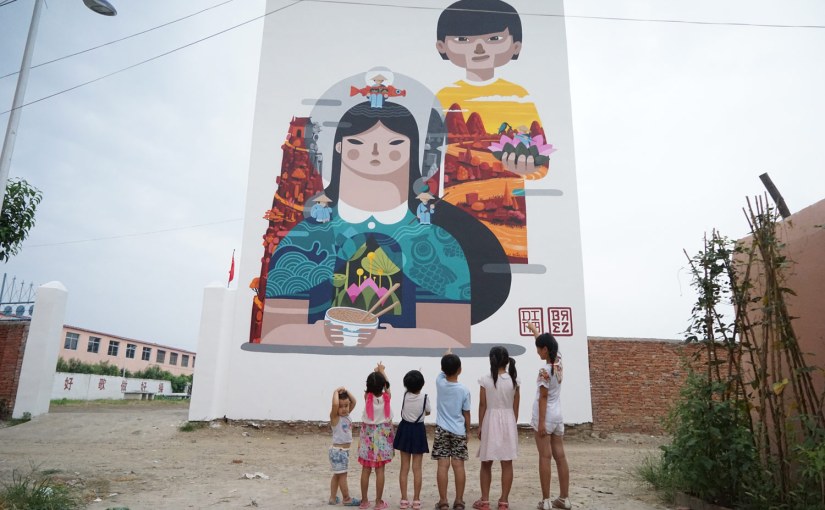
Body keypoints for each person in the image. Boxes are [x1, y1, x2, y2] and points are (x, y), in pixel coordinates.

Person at [262, 101, 511, 348]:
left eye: (394, 143)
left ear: (412, 149)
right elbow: (274, 329)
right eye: (357, 142)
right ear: (338, 147)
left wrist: (383, 338)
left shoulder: (436, 240)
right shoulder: (305, 237)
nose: (375, 153)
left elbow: (452, 337)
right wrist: (324, 336)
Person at [435, 0, 552, 264]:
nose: (478, 48)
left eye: (494, 38)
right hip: (451, 204)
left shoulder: (519, 95)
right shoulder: (443, 96)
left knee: (504, 261)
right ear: (442, 47)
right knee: (455, 261)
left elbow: (542, 159)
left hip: (510, 204)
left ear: (516, 46)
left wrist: (529, 167)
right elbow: (430, 154)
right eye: (463, 39)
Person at [473, 346, 520, 510]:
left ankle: (485, 501)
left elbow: (482, 405)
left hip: (490, 420)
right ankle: (504, 501)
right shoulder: (514, 380)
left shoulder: (485, 380)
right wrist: (512, 425)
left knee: (486, 462)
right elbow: (516, 407)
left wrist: (480, 426)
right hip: (508, 421)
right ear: (506, 361)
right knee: (507, 463)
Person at [531, 333, 571, 510]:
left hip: (545, 416)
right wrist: (534, 330)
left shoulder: (544, 371)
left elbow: (543, 398)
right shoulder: (559, 362)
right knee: (560, 457)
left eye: (539, 349)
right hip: (557, 416)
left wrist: (540, 423)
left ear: (545, 349)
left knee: (545, 457)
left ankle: (546, 500)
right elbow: (548, 341)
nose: (538, 352)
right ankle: (564, 498)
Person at [433, 350, 471, 510]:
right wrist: (468, 431)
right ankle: (459, 501)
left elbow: (442, 372)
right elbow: (466, 413)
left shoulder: (440, 383)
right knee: (459, 466)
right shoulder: (464, 390)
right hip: (458, 430)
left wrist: (446, 355)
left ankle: (443, 501)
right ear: (460, 370)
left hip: (442, 429)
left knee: (442, 466)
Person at [357, 363, 394, 510]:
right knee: (380, 471)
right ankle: (378, 502)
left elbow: (375, 385)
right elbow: (387, 385)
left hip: (368, 438)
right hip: (383, 439)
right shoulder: (387, 397)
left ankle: (364, 501)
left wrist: (376, 373)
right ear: (383, 386)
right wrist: (382, 371)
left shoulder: (367, 397)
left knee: (366, 470)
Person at [392, 370, 431, 510]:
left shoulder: (405, 395)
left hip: (405, 429)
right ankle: (416, 500)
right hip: (418, 430)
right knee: (417, 468)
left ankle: (404, 499)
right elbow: (428, 411)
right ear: (422, 384)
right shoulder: (425, 398)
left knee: (404, 467)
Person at [329, 387, 362, 506]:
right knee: (342, 475)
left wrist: (346, 391)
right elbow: (335, 404)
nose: (344, 409)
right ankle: (346, 498)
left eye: (346, 406)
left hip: (342, 452)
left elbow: (354, 401)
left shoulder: (346, 415)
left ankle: (332, 498)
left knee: (337, 475)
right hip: (339, 451)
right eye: (341, 406)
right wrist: (335, 392)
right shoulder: (335, 417)